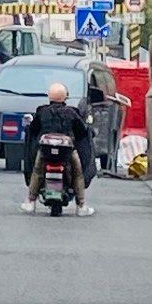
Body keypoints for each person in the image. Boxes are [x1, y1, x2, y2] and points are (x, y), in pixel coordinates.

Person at [20, 82, 95, 215]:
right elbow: (82, 131)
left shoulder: (42, 112)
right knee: (78, 174)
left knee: (37, 172)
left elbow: (33, 129)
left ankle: (31, 201)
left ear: (49, 97)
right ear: (65, 97)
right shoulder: (71, 113)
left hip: (44, 152)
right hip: (68, 152)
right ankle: (81, 205)